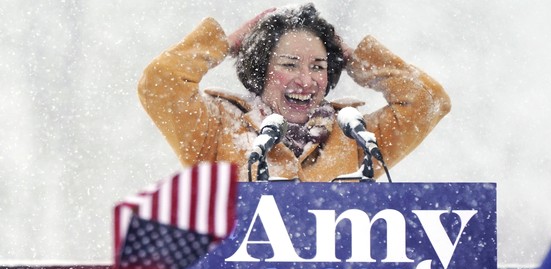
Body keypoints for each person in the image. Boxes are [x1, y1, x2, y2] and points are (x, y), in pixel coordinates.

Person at [138, 3, 450, 182]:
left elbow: (429, 102)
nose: (306, 80)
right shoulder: (217, 128)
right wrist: (227, 43)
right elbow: (159, 82)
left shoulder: (353, 134)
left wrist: (355, 58)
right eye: (290, 65)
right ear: (260, 69)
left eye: (317, 66)